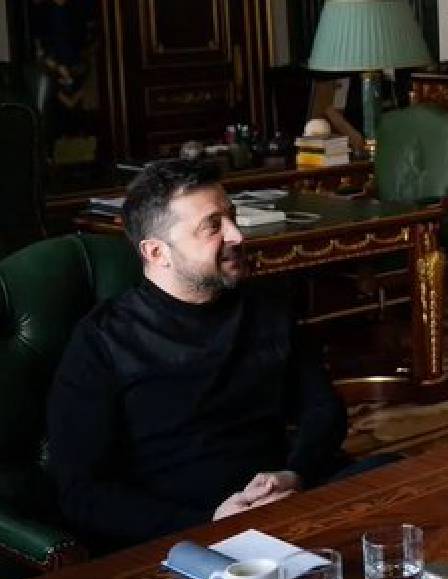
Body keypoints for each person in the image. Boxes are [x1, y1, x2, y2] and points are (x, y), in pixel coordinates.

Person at [46, 159, 350, 552]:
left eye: (232, 217)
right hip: (181, 536)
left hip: (286, 503)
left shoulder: (265, 305)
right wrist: (209, 522)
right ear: (157, 252)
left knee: (398, 477)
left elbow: (323, 409)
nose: (237, 235)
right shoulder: (102, 341)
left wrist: (295, 473)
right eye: (213, 226)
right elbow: (82, 493)